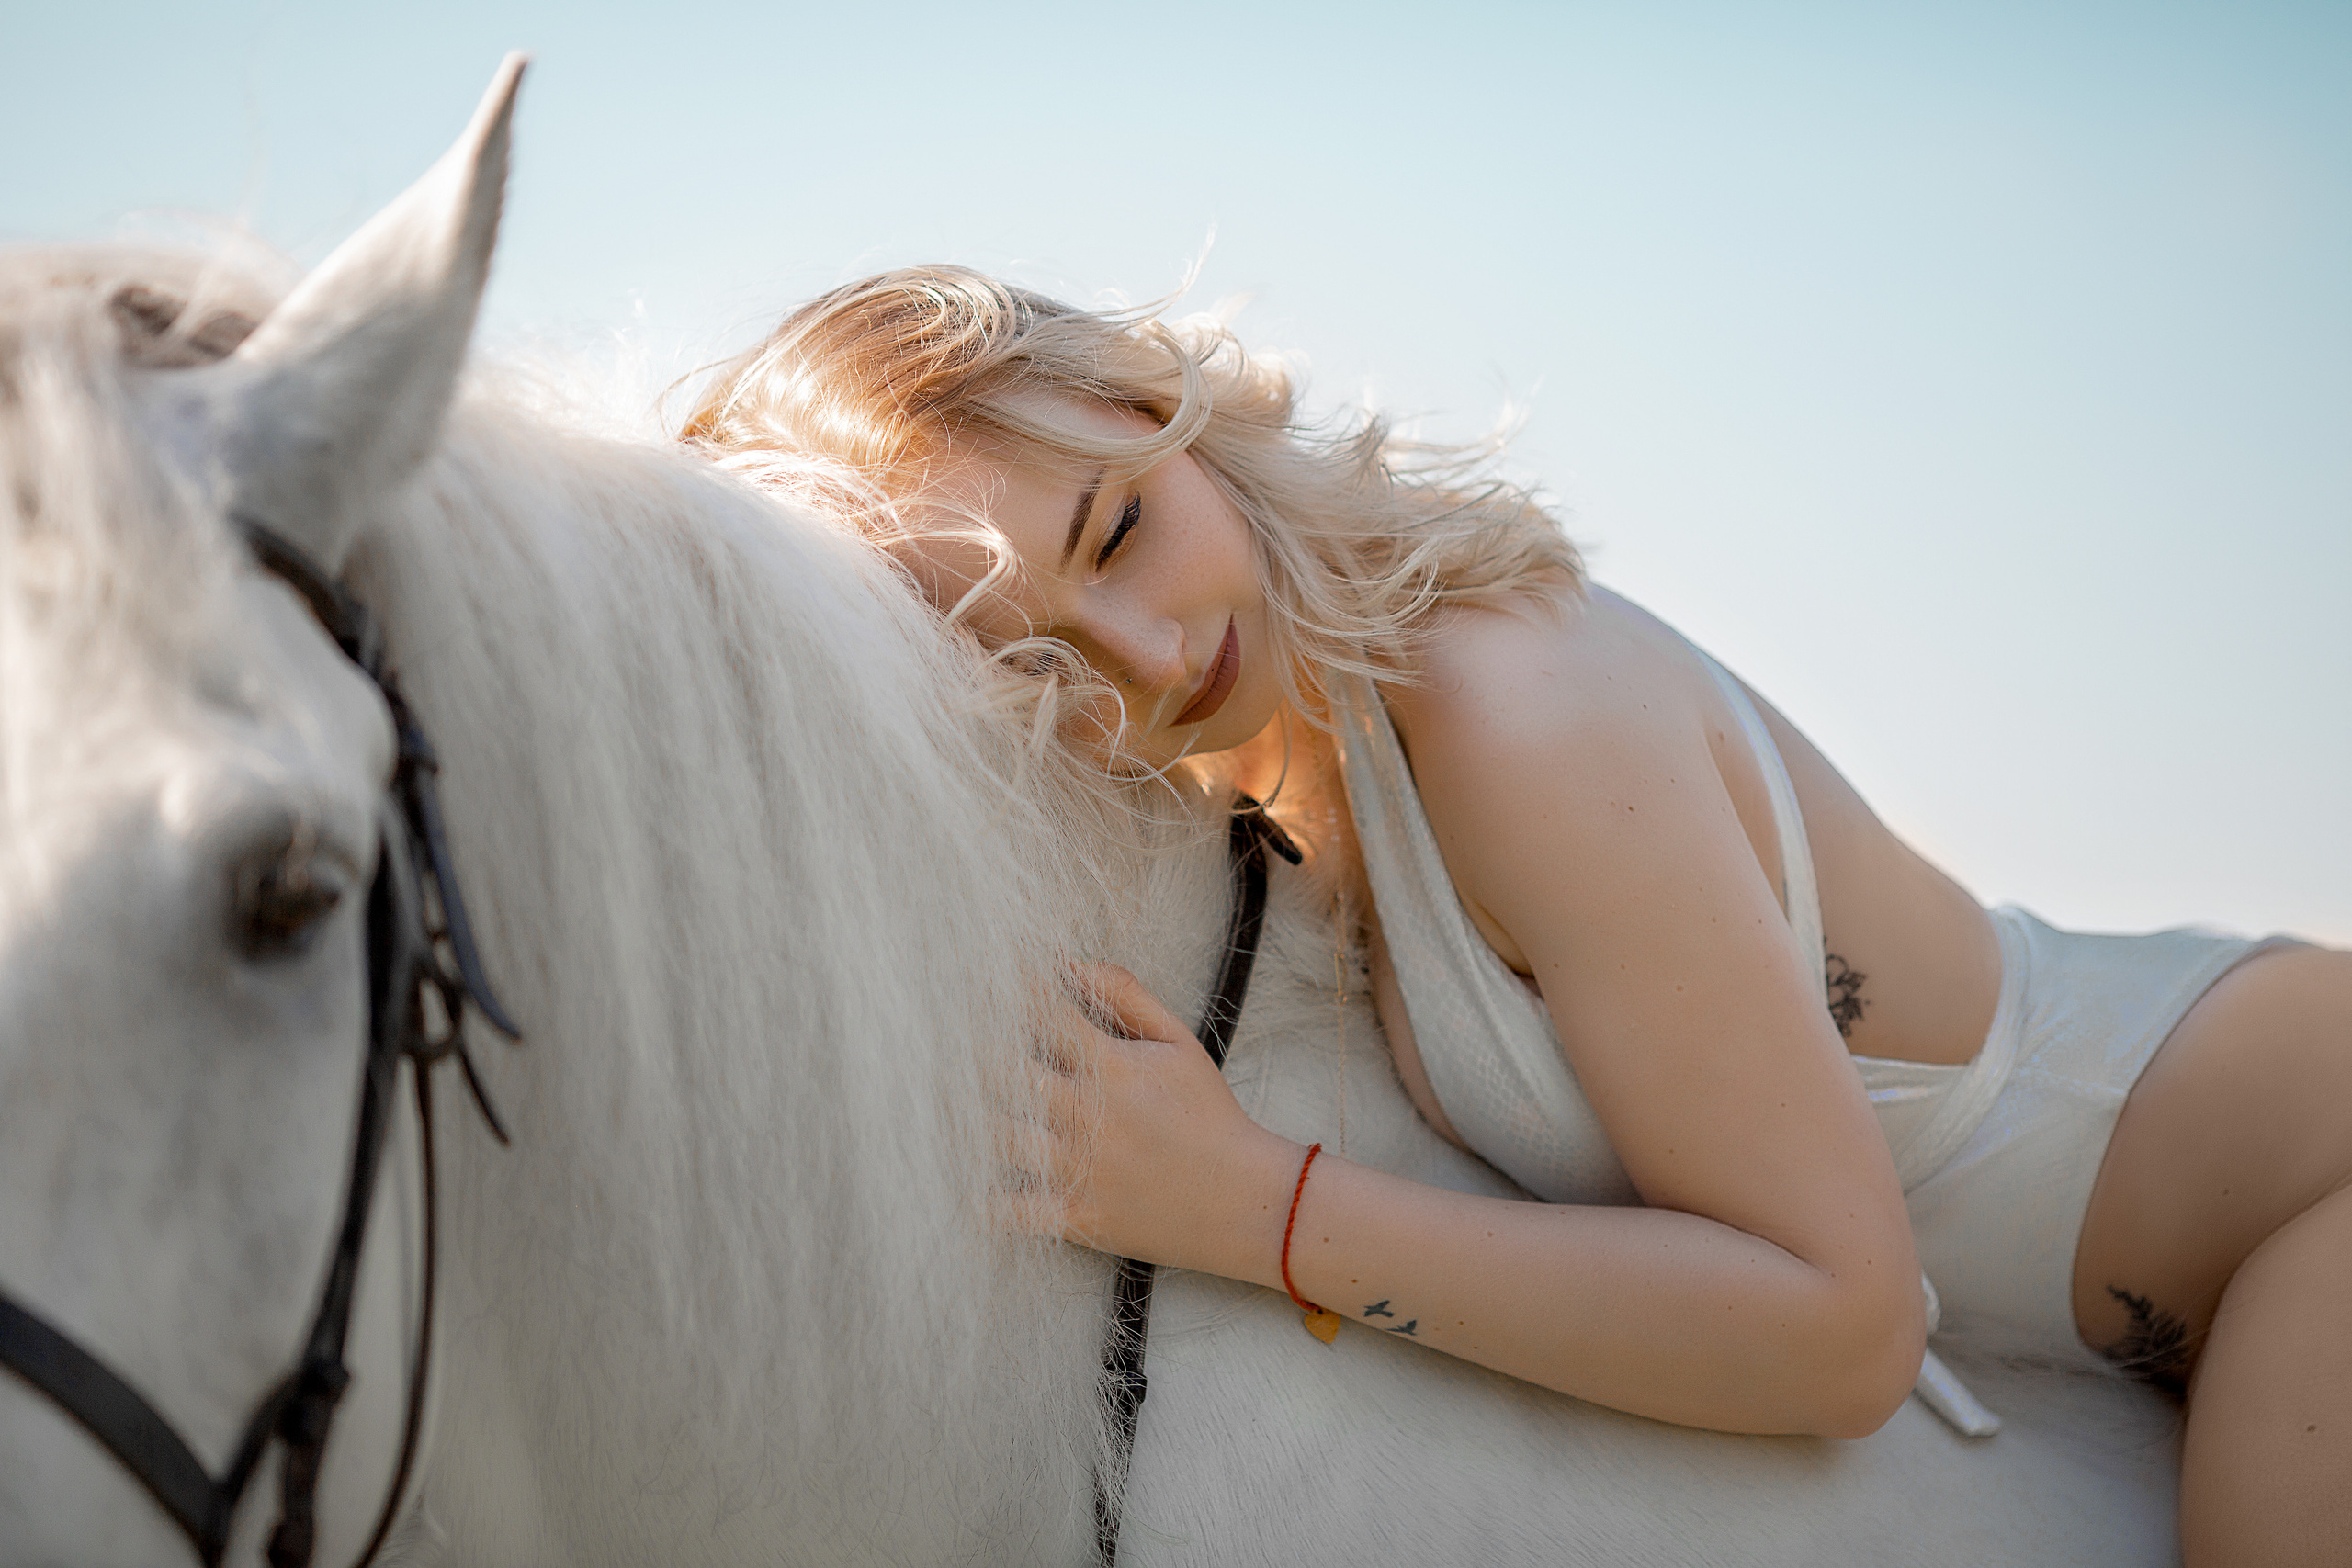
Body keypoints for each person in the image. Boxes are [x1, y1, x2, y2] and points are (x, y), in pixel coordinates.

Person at [681, 267, 2349, 1565]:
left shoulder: (1509, 709)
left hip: (2301, 1188)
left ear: (1153, 404)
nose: (1142, 654)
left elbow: (1844, 1333)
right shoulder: (1291, 777)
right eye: (1037, 663)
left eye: (1117, 530)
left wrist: (1250, 1205)